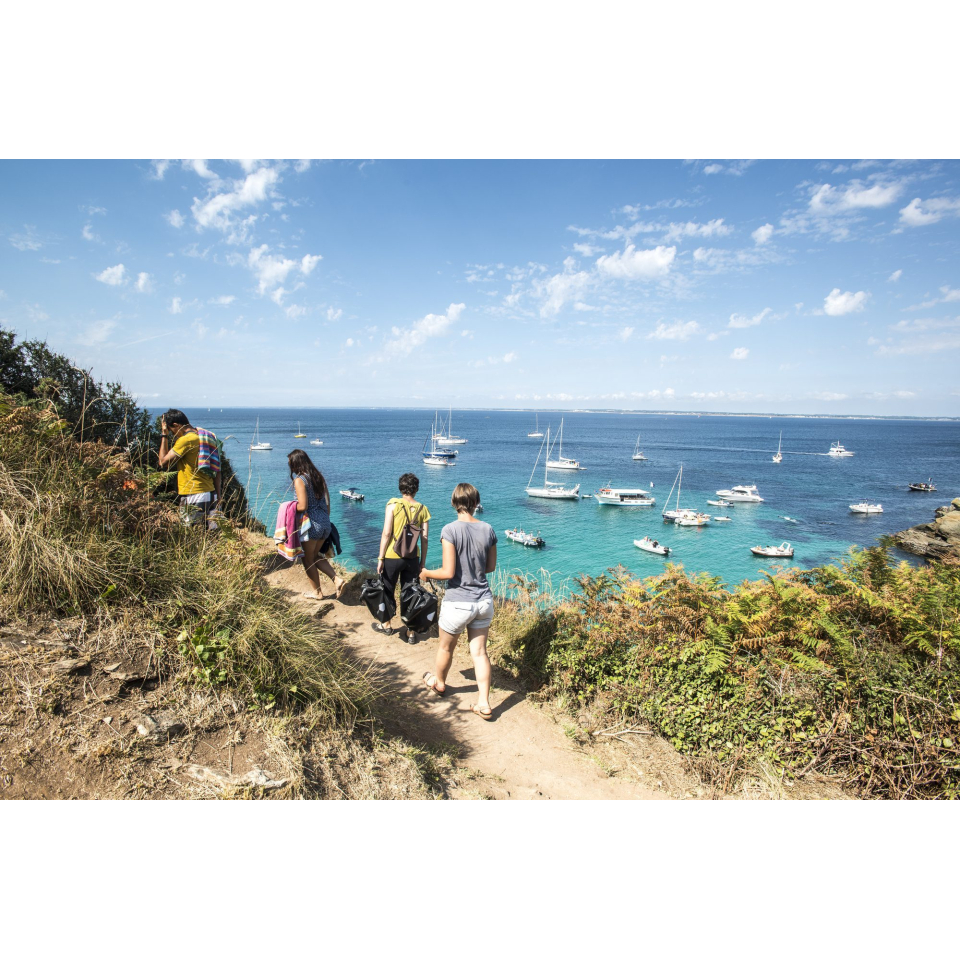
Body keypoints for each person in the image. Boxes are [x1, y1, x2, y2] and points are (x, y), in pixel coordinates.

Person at [419, 482, 498, 720]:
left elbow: (448, 572)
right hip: (483, 601)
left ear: (454, 503)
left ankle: (439, 683)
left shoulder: (450, 530)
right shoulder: (488, 529)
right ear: (475, 503)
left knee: (445, 648)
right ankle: (484, 703)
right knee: (480, 653)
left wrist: (425, 573)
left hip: (458, 602)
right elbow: (491, 567)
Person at [373, 473, 431, 641]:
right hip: (412, 558)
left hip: (392, 556)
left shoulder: (392, 505)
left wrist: (380, 558)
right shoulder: (423, 509)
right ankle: (411, 632)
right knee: (411, 592)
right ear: (416, 489)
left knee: (388, 589)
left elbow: (386, 533)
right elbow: (425, 539)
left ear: (401, 488)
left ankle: (387, 624)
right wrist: (423, 562)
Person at [289, 448, 345, 601]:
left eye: (291, 465)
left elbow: (303, 506)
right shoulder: (319, 478)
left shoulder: (300, 480)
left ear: (296, 464)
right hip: (325, 523)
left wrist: (288, 507)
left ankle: (317, 592)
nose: (291, 469)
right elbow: (328, 506)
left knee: (307, 559)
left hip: (311, 525)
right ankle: (337, 580)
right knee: (315, 556)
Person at [158, 409, 218, 527]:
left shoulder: (186, 440)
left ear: (176, 425)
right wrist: (219, 494)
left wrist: (164, 435)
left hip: (194, 493)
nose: (173, 434)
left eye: (171, 430)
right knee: (211, 535)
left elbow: (162, 462)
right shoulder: (206, 436)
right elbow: (217, 468)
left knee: (192, 534)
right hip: (210, 493)